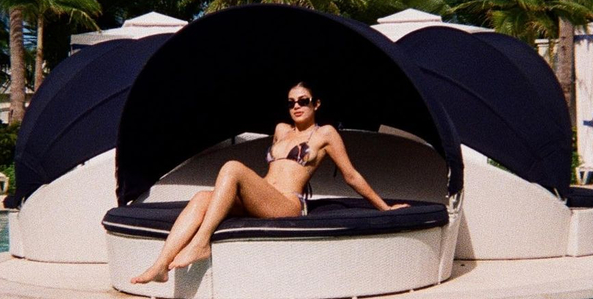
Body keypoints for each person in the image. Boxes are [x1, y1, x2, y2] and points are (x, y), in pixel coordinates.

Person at [131, 81, 407, 283]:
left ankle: (201, 242)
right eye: (291, 102)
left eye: (303, 101)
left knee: (232, 167)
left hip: (287, 203)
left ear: (316, 104)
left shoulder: (325, 134)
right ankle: (161, 265)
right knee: (202, 197)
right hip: (264, 198)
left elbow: (351, 175)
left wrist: (384, 208)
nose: (296, 106)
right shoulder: (281, 130)